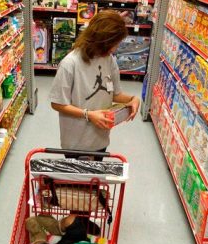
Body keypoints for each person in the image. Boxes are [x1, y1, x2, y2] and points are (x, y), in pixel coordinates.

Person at [49, 10, 140, 157]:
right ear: (99, 39)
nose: (114, 49)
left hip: (100, 139)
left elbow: (115, 94)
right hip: (75, 142)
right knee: (76, 179)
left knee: (95, 179)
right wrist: (88, 115)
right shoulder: (70, 63)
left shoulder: (109, 60)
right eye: (112, 44)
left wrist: (132, 99)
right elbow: (57, 103)